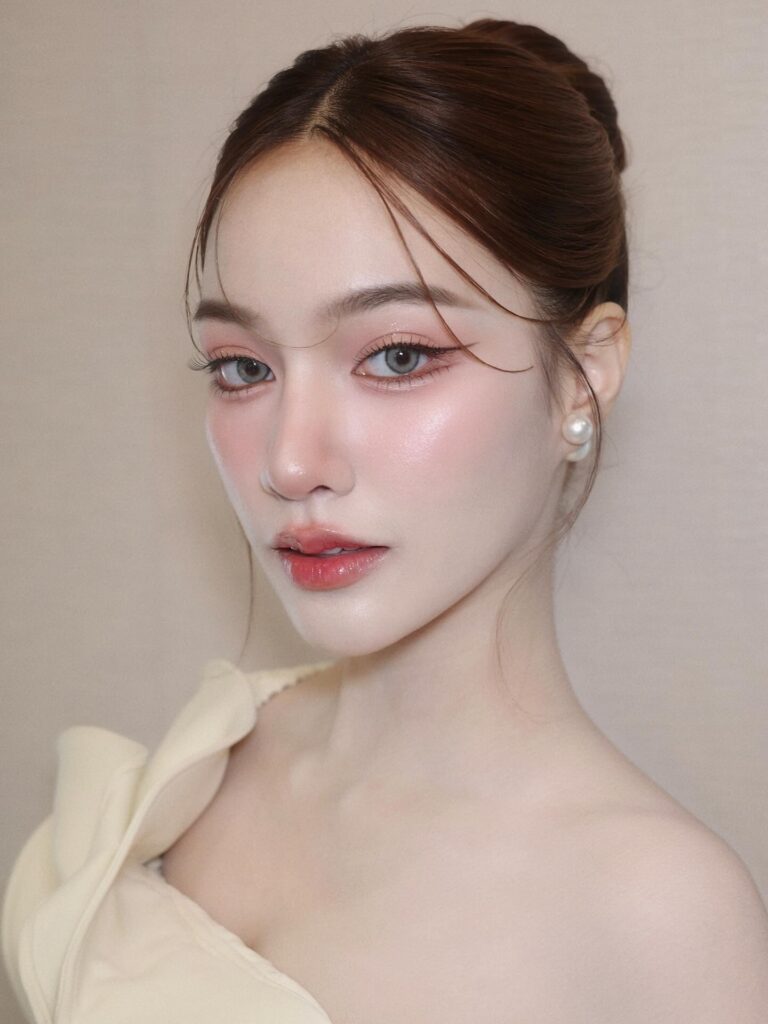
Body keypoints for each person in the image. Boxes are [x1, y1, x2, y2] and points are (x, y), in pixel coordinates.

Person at [3, 17, 768, 1024]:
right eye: (243, 366)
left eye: (398, 356)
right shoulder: (198, 768)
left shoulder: (661, 918)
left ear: (583, 373)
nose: (289, 461)